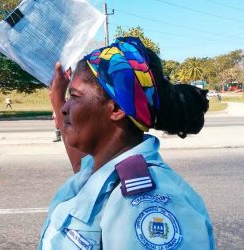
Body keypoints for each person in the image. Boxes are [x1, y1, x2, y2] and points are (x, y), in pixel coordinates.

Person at [39, 37, 214, 249]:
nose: (64, 108)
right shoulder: (100, 169)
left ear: (116, 109)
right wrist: (57, 95)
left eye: (74, 96)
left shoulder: (146, 204)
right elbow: (81, 167)